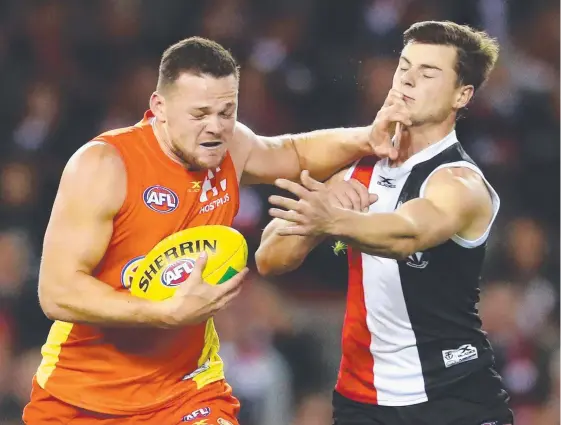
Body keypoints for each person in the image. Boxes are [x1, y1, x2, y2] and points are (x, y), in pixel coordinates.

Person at [23, 37, 382, 425]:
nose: (216, 127)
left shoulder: (232, 147)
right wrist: (165, 311)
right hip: (81, 397)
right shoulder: (105, 165)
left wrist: (368, 138)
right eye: (200, 114)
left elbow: (294, 153)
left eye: (227, 111)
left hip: (186, 391)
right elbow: (57, 291)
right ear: (159, 108)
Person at [256, 21, 514, 425]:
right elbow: (271, 258)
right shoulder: (358, 169)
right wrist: (322, 208)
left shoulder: (459, 181)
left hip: (452, 396)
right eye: (404, 67)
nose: (407, 80)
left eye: (428, 73)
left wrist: (334, 219)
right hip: (361, 400)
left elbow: (407, 234)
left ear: (462, 95)